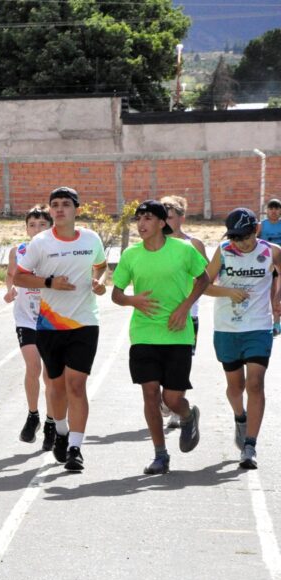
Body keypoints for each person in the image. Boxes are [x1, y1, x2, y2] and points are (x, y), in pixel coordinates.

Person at [13, 186, 109, 473]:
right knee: (55, 386)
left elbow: (101, 265)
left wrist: (99, 281)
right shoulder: (40, 243)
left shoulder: (91, 238)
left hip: (84, 323)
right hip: (50, 325)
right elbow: (19, 277)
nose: (59, 209)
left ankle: (76, 448)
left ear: (76, 209)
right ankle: (62, 431)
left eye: (65, 204)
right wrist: (49, 283)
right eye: (54, 204)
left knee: (76, 385)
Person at [111, 201, 209, 474]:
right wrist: (132, 300)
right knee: (150, 393)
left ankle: (188, 416)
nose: (141, 224)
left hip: (177, 334)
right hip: (144, 333)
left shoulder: (183, 250)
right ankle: (160, 455)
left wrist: (185, 307)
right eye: (138, 219)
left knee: (173, 399)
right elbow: (116, 294)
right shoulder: (131, 254)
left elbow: (203, 279)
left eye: (148, 218)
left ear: (162, 222)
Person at [201, 207, 281, 469]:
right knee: (235, 387)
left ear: (256, 229)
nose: (241, 243)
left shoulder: (272, 251)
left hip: (258, 327)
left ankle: (250, 446)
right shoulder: (224, 250)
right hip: (227, 328)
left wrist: (278, 298)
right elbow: (203, 285)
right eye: (235, 237)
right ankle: (240, 416)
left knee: (255, 384)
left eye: (245, 237)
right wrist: (228, 292)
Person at [4, 205, 56, 448]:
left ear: (51, 227)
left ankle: (51, 422)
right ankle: (33, 415)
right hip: (26, 318)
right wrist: (10, 290)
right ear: (26, 228)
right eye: (32, 225)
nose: (37, 229)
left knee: (50, 375)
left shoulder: (57, 251)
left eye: (42, 225)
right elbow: (10, 274)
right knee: (33, 366)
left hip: (51, 319)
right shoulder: (19, 251)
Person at [159, 195, 210, 427]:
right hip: (159, 315)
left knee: (180, 365)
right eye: (163, 218)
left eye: (170, 217)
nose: (166, 222)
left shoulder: (193, 244)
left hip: (188, 314)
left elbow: (207, 276)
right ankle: (166, 400)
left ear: (182, 218)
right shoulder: (155, 244)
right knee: (160, 364)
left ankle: (176, 407)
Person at [257, 198, 281, 336]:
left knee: (278, 294)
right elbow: (253, 242)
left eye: (276, 208)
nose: (273, 211)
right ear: (266, 210)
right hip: (267, 264)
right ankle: (274, 323)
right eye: (271, 208)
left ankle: (276, 322)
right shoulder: (261, 225)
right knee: (272, 294)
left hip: (280, 263)